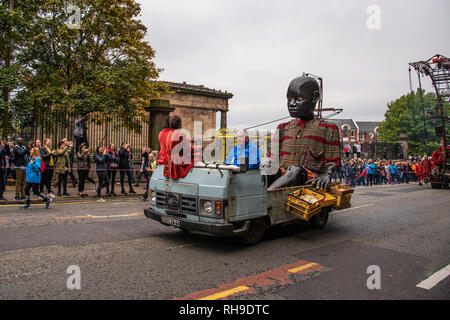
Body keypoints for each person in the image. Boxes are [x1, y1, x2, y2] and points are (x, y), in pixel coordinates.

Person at [265, 75, 341, 191]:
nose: (292, 104)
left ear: (315, 98)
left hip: (308, 179)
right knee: (266, 166)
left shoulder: (328, 129)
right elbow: (272, 158)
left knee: (296, 170)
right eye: (289, 99)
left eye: (299, 99)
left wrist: (327, 173)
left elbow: (332, 161)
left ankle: (266, 198)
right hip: (281, 177)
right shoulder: (282, 128)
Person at [13, 138, 29, 202]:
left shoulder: (23, 147)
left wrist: (27, 149)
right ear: (17, 141)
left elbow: (27, 153)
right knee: (18, 181)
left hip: (24, 166)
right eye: (21, 140)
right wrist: (26, 150)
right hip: (18, 166)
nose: (22, 141)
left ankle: (23, 194)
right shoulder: (16, 148)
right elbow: (20, 153)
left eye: (23, 140)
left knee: (23, 181)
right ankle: (17, 195)